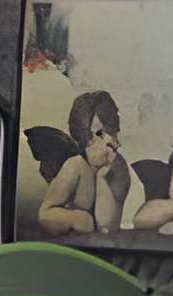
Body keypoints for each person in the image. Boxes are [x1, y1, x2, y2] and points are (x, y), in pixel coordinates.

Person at [36, 90, 128, 235]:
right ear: (84, 137)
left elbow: (107, 226)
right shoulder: (75, 166)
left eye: (112, 130)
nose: (111, 141)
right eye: (99, 134)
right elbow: (45, 214)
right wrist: (78, 219)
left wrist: (102, 178)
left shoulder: (118, 169)